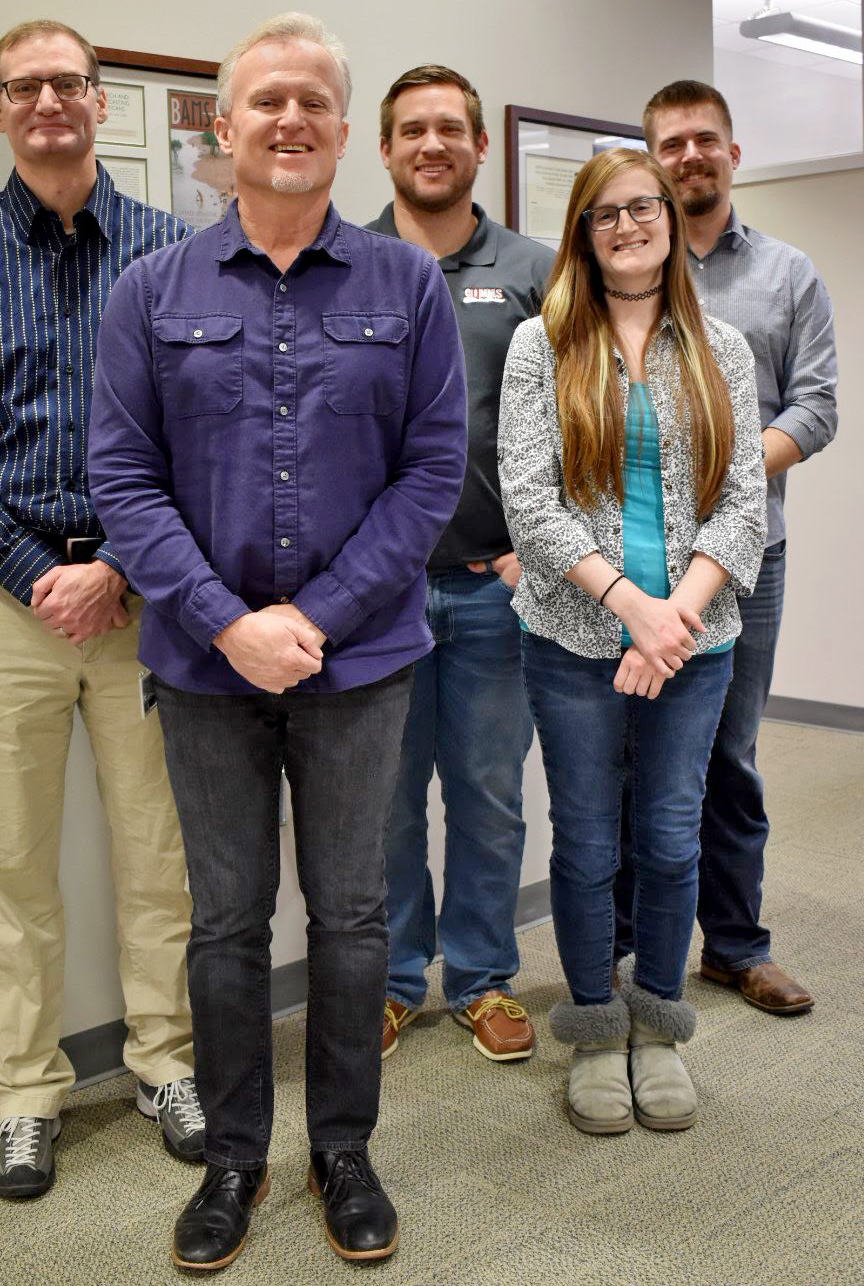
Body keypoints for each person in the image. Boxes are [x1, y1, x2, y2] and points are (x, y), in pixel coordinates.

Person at [88, 14, 466, 1271]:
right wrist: (226, 621)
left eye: (313, 103)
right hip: (203, 672)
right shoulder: (152, 291)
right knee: (226, 923)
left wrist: (312, 617)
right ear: (225, 127)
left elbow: (431, 473)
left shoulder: (406, 285)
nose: (289, 121)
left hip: (358, 665)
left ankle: (344, 1148)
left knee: (356, 920)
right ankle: (240, 1154)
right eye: (266, 103)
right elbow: (124, 480)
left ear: (341, 132)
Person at [0, 20, 201, 1200]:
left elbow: (199, 436)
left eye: (69, 82)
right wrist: (38, 573)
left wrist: (118, 563)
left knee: (157, 850)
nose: (49, 103)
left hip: (149, 593)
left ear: (98, 98)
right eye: (26, 87)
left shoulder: (173, 255)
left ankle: (165, 1062)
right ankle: (23, 1094)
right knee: (8, 859)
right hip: (2, 601)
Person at [498, 148, 766, 1134]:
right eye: (605, 213)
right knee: (586, 841)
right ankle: (592, 1030)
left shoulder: (720, 349)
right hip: (572, 640)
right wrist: (628, 608)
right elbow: (529, 502)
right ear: (583, 230)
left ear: (669, 218)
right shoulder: (542, 344)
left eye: (642, 208)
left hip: (693, 643)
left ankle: (655, 1025)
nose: (626, 226)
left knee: (666, 835)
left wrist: (670, 618)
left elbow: (744, 500)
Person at [616, 80, 838, 1014]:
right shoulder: (619, 268)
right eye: (670, 144)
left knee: (730, 755)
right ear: (653, 161)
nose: (690, 156)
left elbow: (817, 407)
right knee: (629, 754)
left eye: (705, 140)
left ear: (732, 154)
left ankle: (736, 945)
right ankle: (625, 944)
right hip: (631, 565)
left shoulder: (789, 276)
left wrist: (729, 471)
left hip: (749, 559)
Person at [367, 66, 553, 1062]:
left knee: (486, 795)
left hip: (493, 586)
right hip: (376, 598)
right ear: (384, 149)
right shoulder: (340, 261)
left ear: (479, 148)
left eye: (450, 128)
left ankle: (480, 978)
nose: (431, 144)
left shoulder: (531, 267)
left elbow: (583, 414)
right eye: (412, 130)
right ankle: (395, 981)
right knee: (385, 801)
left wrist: (539, 547)